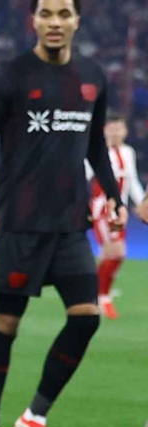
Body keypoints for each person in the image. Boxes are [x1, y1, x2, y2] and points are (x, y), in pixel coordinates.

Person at [0, 0, 133, 427]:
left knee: (87, 317)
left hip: (70, 225)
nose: (54, 22)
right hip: (19, 225)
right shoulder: (10, 75)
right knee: (6, 324)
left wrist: (114, 196)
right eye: (46, 13)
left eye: (63, 14)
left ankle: (35, 416)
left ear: (77, 20)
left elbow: (95, 145)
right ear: (34, 21)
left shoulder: (93, 77)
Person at [84, 114, 146, 319]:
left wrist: (141, 202)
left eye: (119, 128)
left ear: (125, 131)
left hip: (120, 210)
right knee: (117, 251)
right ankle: (102, 296)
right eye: (112, 128)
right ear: (104, 130)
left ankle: (95, 293)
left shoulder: (128, 152)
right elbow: (82, 176)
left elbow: (132, 180)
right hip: (102, 209)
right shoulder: (97, 152)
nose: (116, 132)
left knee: (110, 254)